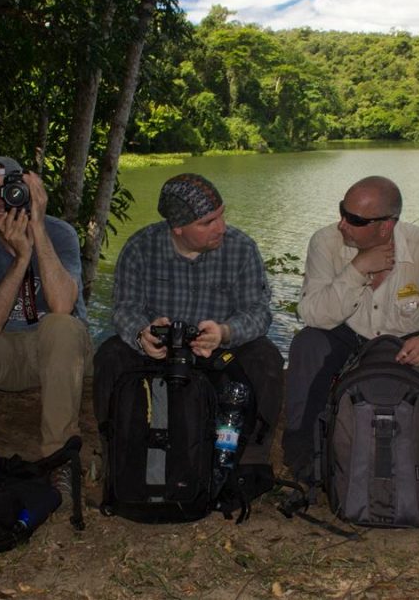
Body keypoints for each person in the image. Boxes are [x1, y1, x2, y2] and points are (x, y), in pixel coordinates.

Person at [283, 176, 419, 495]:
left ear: (386, 226)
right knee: (307, 344)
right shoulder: (324, 242)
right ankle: (303, 454)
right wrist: (357, 269)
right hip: (348, 334)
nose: (342, 224)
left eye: (354, 219)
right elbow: (312, 313)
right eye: (342, 211)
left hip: (407, 337)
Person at [92, 173, 284, 467]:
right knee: (110, 355)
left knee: (266, 357)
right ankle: (116, 453)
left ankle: (250, 460)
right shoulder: (140, 248)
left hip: (219, 354)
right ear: (178, 228)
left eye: (221, 215)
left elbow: (259, 311)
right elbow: (124, 308)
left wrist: (225, 331)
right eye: (207, 222)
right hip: (160, 354)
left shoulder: (242, 248)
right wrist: (143, 334)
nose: (221, 227)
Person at [0, 157, 91, 496]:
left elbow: (62, 306)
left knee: (60, 325)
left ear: (26, 194)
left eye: (7, 192)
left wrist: (37, 229)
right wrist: (20, 259)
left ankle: (58, 459)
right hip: (12, 349)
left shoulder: (60, 232)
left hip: (62, 349)